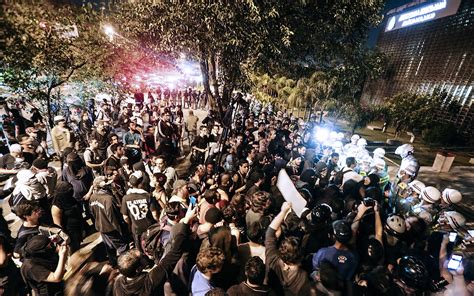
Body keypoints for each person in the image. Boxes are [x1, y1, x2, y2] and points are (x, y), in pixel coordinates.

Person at [265, 202, 312, 295]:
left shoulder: (272, 259)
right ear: (300, 257)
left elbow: (270, 232)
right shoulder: (303, 278)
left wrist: (283, 211)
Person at [89, 176, 129, 266]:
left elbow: (91, 212)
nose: (110, 185)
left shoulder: (92, 197)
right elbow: (113, 217)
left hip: (101, 227)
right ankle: (126, 266)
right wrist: (120, 230)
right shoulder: (108, 199)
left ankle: (113, 264)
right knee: (123, 247)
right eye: (108, 185)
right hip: (111, 228)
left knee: (109, 247)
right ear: (104, 187)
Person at [121, 172, 160, 251]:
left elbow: (125, 217)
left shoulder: (125, 198)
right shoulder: (148, 196)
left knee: (141, 250)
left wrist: (131, 224)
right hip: (150, 227)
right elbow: (154, 214)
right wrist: (158, 222)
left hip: (136, 229)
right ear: (141, 183)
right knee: (153, 247)